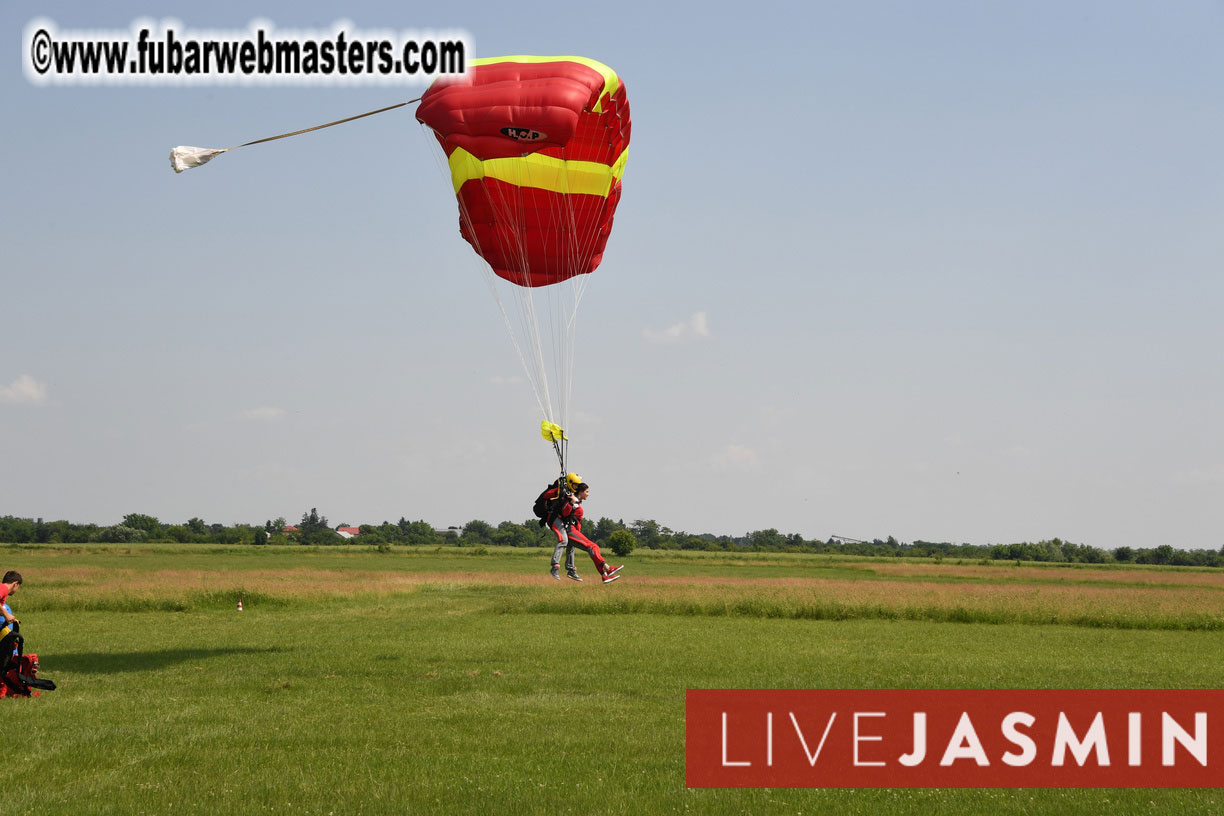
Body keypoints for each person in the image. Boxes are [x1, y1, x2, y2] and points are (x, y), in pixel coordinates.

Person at [549, 482, 622, 584]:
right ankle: (607, 568)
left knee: (593, 549)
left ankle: (604, 576)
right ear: (581, 492)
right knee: (593, 547)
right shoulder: (572, 500)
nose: (588, 494)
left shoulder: (577, 502)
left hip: (574, 531)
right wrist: (571, 503)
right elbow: (565, 513)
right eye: (587, 492)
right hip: (570, 531)